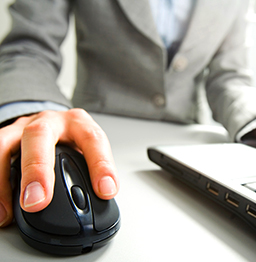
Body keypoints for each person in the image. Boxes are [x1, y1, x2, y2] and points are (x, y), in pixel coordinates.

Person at [0, 0, 256, 227]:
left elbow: (230, 77)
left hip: (185, 144)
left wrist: (252, 123)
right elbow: (29, 46)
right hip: (96, 135)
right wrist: (37, 113)